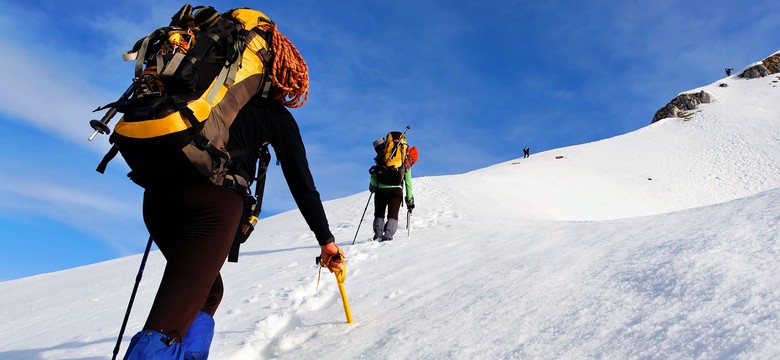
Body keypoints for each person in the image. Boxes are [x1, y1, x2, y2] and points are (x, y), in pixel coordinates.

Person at [122, 9, 342, 360]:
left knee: (208, 293)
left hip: (159, 198)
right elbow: (302, 185)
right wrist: (325, 240)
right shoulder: (275, 116)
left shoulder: (196, 96)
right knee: (165, 328)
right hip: (213, 207)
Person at [369, 137, 414, 242]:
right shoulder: (403, 161)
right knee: (393, 215)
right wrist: (409, 198)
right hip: (396, 191)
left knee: (379, 213)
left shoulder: (382, 157)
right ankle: (388, 236)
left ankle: (378, 235)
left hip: (381, 190)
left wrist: (372, 186)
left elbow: (374, 176)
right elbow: (408, 182)